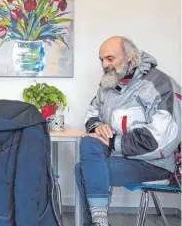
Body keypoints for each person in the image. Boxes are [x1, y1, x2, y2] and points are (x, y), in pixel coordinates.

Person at [76, 36, 181, 226]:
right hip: (122, 156)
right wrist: (97, 126)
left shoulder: (159, 84)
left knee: (83, 169)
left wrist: (113, 141)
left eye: (110, 59)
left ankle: (95, 223)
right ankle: (100, 222)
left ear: (130, 59)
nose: (104, 65)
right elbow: (92, 112)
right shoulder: (108, 84)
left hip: (155, 163)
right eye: (101, 60)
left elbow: (163, 139)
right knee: (88, 142)